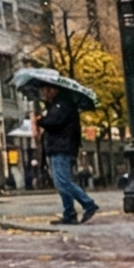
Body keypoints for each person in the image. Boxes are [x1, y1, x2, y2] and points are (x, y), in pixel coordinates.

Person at [33, 85, 96, 224]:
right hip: (59, 147)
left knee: (63, 181)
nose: (44, 93)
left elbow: (53, 123)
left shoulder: (62, 105)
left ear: (53, 90)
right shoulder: (58, 105)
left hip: (61, 148)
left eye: (45, 90)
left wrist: (40, 120)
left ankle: (87, 204)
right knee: (61, 182)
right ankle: (69, 213)